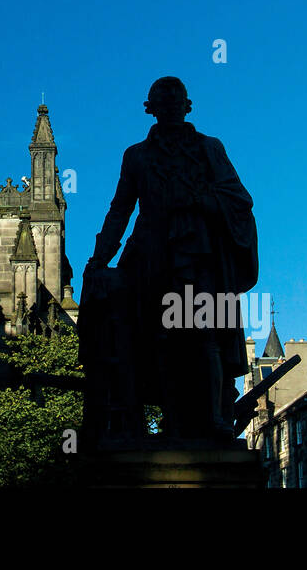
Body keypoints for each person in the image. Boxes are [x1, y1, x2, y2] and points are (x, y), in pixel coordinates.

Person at [85, 77, 258, 441]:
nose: (170, 108)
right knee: (159, 336)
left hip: (199, 254)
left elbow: (239, 199)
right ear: (151, 108)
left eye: (176, 101)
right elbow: (120, 209)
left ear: (187, 105)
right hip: (151, 256)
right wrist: (100, 257)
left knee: (206, 335)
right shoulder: (137, 155)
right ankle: (174, 420)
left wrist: (200, 200)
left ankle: (215, 420)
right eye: (162, 103)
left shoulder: (210, 148)